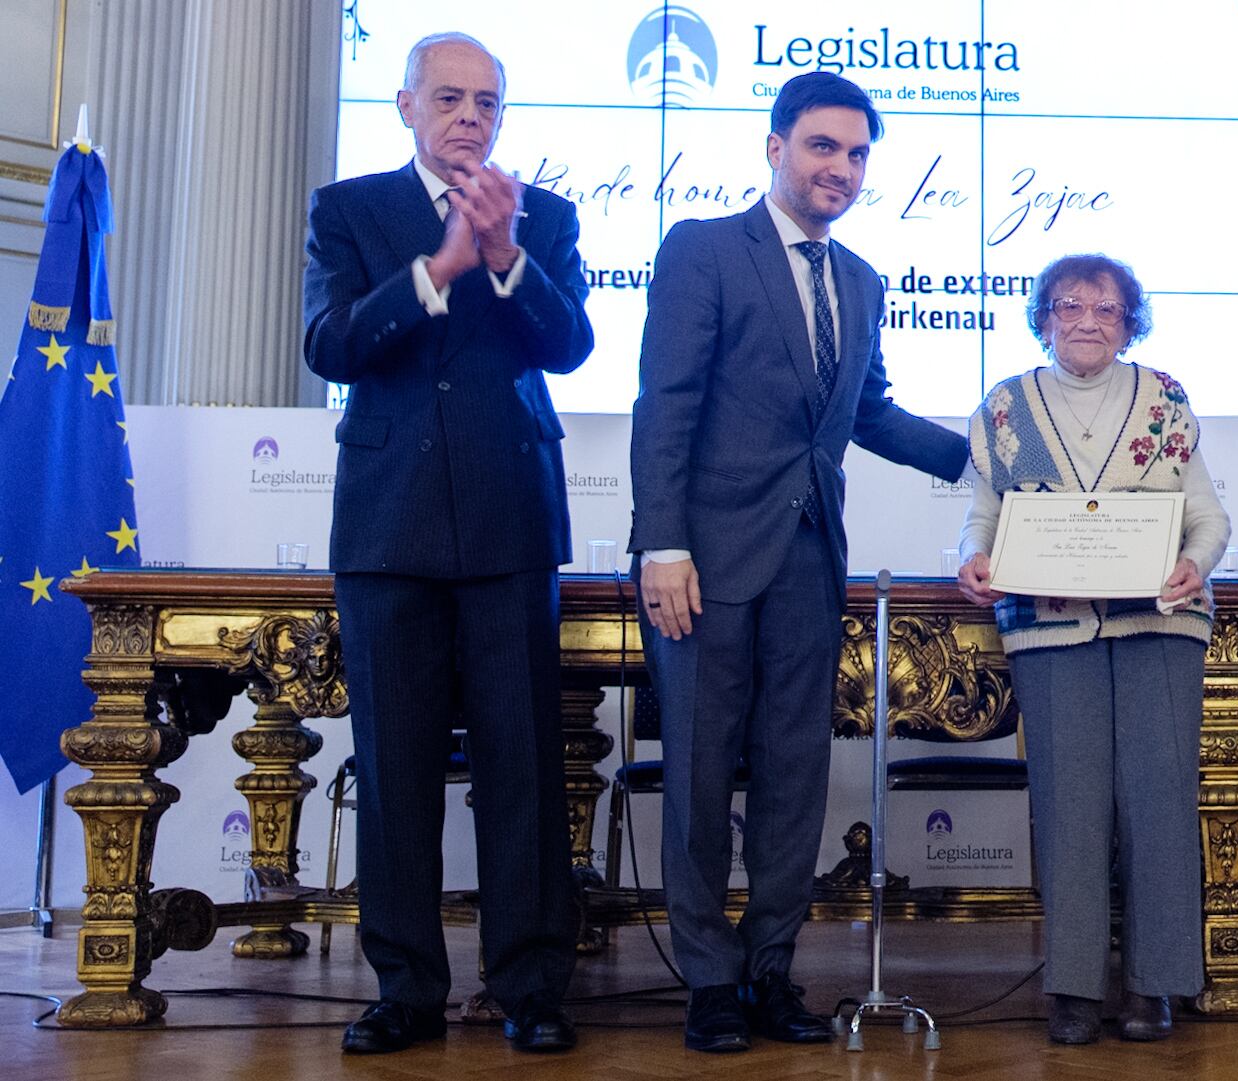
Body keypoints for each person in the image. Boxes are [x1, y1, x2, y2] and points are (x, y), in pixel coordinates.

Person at [627, 71, 969, 1054]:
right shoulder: (702, 250)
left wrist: (991, 447)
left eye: (858, 154)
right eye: (823, 147)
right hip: (705, 562)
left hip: (810, 564)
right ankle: (707, 983)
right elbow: (667, 406)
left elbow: (868, 415)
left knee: (793, 776)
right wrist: (664, 542)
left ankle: (769, 971)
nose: (842, 170)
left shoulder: (860, 281)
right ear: (774, 147)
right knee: (698, 774)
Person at [302, 31, 592, 1056]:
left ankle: (530, 986)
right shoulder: (348, 210)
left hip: (511, 520)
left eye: (488, 103)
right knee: (395, 769)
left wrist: (505, 256)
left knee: (524, 764)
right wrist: (438, 269)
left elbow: (569, 346)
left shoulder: (542, 215)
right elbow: (329, 344)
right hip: (387, 526)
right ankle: (406, 990)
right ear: (407, 105)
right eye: (451, 99)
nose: (471, 117)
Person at [956, 254, 1229, 1045]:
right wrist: (970, 560)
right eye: (1070, 305)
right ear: (1044, 317)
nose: (1086, 320)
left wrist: (1194, 564)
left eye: (1106, 309)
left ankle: (1155, 986)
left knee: (1159, 802)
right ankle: (1073, 987)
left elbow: (1207, 517)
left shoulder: (1165, 398)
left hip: (1161, 622)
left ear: (1128, 321)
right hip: (1050, 625)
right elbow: (983, 515)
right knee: (1070, 804)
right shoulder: (1006, 406)